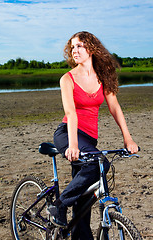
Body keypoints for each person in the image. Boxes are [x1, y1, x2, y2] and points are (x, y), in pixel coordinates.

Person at [48, 31, 138, 240]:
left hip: (88, 140)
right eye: (72, 47)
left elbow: (115, 107)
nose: (75, 50)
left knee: (84, 197)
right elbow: (71, 113)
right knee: (101, 164)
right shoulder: (67, 79)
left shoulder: (103, 76)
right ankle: (59, 205)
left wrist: (128, 138)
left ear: (91, 48)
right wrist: (72, 145)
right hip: (68, 134)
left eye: (79, 46)